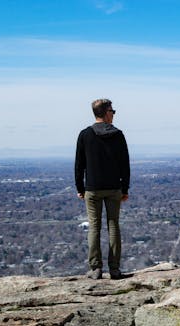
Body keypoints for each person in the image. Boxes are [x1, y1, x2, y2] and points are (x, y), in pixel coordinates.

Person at [75, 98, 130, 280]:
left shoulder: (85, 135)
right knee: (113, 225)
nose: (113, 114)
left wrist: (80, 188)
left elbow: (79, 164)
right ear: (106, 112)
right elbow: (125, 164)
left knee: (94, 227)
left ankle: (96, 268)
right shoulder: (118, 134)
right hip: (114, 187)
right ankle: (114, 269)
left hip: (93, 188)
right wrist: (125, 188)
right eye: (112, 111)